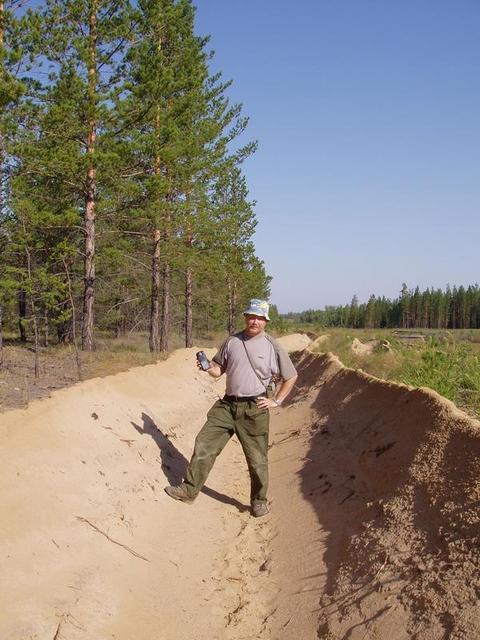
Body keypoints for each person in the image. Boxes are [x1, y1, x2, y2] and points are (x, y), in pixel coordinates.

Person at [164, 299, 298, 517]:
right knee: (204, 443)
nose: (254, 321)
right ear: (245, 317)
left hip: (254, 408)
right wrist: (208, 367)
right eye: (251, 316)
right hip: (227, 405)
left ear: (265, 321)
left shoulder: (272, 346)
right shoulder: (232, 341)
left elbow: (291, 376)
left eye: (259, 318)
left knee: (257, 458)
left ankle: (259, 501)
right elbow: (219, 369)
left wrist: (277, 400)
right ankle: (188, 491)